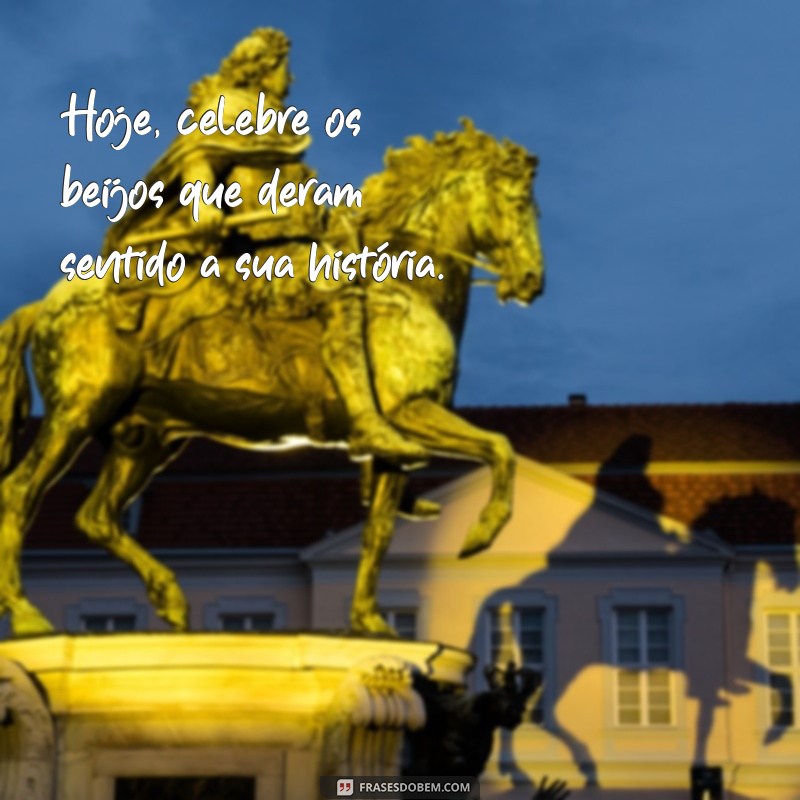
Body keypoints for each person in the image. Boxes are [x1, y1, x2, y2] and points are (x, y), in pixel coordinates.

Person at [102, 28, 426, 465]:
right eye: (284, 69)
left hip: (290, 239)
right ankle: (366, 421)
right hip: (254, 251)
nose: (289, 80)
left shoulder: (273, 119)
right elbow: (199, 159)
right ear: (262, 68)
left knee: (370, 287)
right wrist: (201, 204)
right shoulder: (230, 108)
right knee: (342, 296)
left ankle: (377, 446)